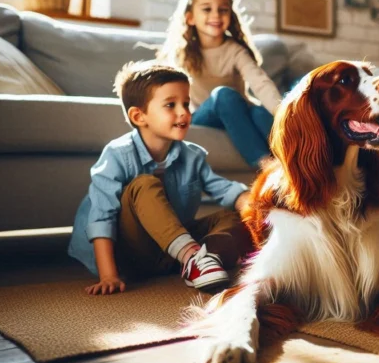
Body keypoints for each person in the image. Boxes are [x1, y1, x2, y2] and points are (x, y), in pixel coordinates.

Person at [68, 61, 251, 295]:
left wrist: (256, 205)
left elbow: (225, 190)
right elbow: (101, 217)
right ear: (139, 115)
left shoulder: (192, 155)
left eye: (186, 103)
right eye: (170, 105)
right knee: (143, 184)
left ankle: (204, 259)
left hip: (170, 250)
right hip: (130, 255)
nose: (183, 112)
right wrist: (108, 275)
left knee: (233, 214)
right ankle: (193, 257)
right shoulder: (117, 154)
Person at [158, 0, 282, 167]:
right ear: (190, 17)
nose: (216, 15)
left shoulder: (235, 51)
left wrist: (283, 111)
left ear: (230, 15)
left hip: (238, 115)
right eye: (207, 9)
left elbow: (260, 82)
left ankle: (295, 161)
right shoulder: (181, 54)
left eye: (223, 10)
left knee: (260, 113)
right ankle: (265, 164)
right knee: (223, 95)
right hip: (203, 116)